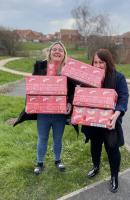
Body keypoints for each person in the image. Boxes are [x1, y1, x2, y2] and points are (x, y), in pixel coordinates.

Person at [14, 41, 78, 175]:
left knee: (58, 138)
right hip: (43, 111)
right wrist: (30, 104)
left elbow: (73, 91)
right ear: (49, 52)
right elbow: (32, 87)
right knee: (42, 137)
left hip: (60, 113)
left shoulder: (68, 70)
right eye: (54, 49)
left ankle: (58, 160)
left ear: (64, 53)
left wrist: (70, 103)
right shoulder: (40, 66)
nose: (57, 51)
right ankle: (40, 162)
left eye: (60, 50)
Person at [81, 49, 129, 193]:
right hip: (93, 122)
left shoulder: (118, 78)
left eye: (101, 62)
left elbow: (124, 98)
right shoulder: (89, 78)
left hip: (110, 123)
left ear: (108, 62)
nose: (98, 65)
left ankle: (114, 176)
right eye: (95, 62)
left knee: (112, 149)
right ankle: (96, 167)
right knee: (95, 146)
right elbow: (81, 95)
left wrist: (116, 114)